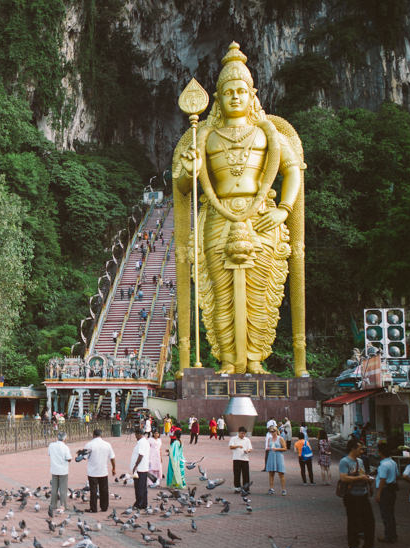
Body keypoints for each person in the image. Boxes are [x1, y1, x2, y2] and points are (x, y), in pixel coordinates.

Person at [171, 42, 304, 375]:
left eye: (241, 91)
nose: (234, 97)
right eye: (227, 91)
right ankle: (229, 359)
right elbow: (184, 187)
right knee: (221, 293)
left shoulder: (267, 133)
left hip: (261, 217)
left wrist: (283, 209)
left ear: (252, 95)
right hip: (217, 217)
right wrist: (190, 169)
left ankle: (257, 358)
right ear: (218, 97)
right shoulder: (205, 137)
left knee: (259, 291)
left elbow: (293, 171)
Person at [338, 439, 382, 548]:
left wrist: (367, 479)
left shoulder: (360, 461)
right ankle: (353, 545)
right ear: (353, 448)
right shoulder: (344, 461)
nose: (362, 451)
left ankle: (368, 545)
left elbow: (362, 473)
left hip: (363, 494)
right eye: (360, 448)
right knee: (353, 520)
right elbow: (343, 477)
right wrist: (360, 478)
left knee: (369, 520)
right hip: (351, 495)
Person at [83, 430, 115, 512]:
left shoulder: (89, 445)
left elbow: (84, 457)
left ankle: (93, 508)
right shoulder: (107, 444)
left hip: (92, 471)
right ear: (101, 435)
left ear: (93, 435)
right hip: (103, 470)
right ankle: (104, 507)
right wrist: (113, 468)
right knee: (104, 490)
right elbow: (112, 457)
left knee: (93, 490)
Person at [374, 441, 399, 544]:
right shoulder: (393, 462)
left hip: (385, 490)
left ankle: (388, 535)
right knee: (391, 513)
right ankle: (393, 534)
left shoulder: (383, 464)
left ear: (380, 452)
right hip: (392, 489)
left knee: (385, 514)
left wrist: (378, 493)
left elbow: (383, 479)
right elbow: (397, 475)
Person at [48, 432, 72, 512]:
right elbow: (69, 458)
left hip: (54, 470)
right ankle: (63, 505)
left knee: (54, 488)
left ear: (57, 437)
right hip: (63, 471)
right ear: (65, 438)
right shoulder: (65, 447)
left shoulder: (51, 445)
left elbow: (49, 454)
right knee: (63, 489)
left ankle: (53, 505)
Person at [129, 427, 151, 510]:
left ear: (139, 434)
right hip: (143, 468)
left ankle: (139, 504)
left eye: (135, 434)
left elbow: (141, 455)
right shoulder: (143, 442)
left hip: (140, 468)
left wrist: (135, 466)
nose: (135, 436)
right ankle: (144, 503)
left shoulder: (142, 442)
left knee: (139, 487)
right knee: (143, 487)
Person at [265, 424, 288, 495]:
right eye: (271, 432)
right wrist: (268, 448)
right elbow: (269, 447)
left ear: (276, 431)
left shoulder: (280, 438)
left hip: (278, 456)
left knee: (281, 473)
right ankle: (271, 488)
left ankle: (284, 489)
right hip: (271, 456)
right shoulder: (269, 439)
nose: (272, 433)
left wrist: (277, 449)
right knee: (271, 473)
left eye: (273, 431)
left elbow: (285, 448)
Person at [229, 426, 252, 492]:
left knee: (246, 475)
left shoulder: (247, 440)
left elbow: (250, 448)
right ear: (238, 432)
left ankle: (246, 489)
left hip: (245, 459)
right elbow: (231, 447)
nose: (243, 435)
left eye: (244, 434)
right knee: (237, 474)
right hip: (236, 458)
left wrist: (247, 451)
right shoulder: (233, 438)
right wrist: (238, 446)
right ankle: (237, 488)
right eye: (242, 433)